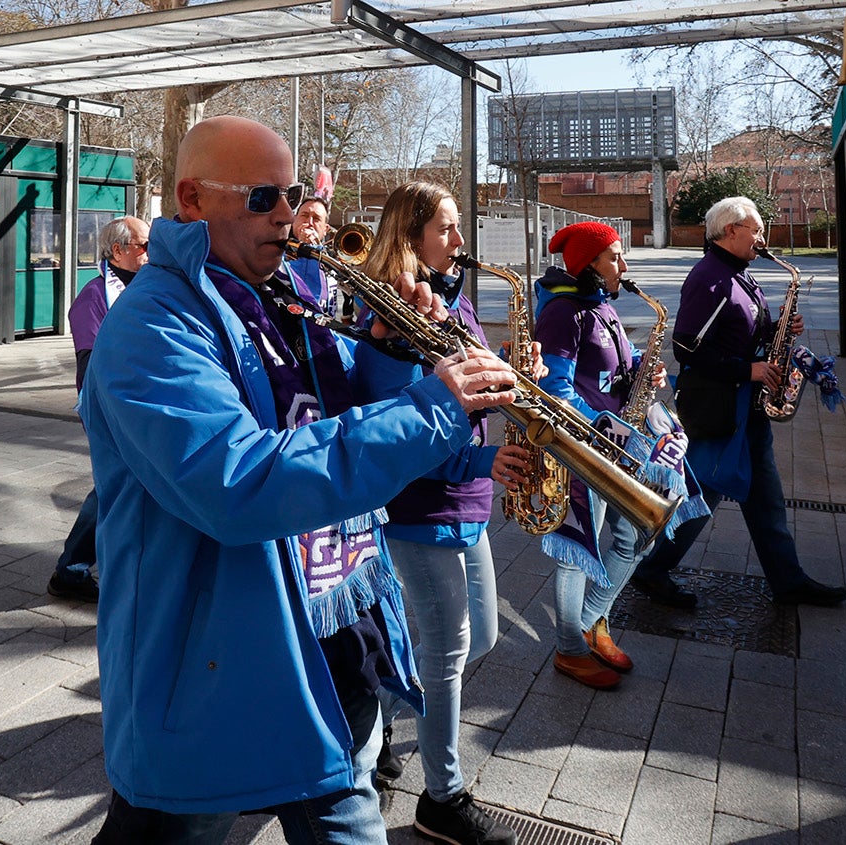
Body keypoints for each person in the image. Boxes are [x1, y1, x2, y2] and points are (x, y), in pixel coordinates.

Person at [80, 115, 518, 843]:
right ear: (190, 199)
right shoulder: (153, 326)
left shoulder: (281, 298)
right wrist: (432, 408)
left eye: (289, 193)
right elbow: (237, 480)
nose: (288, 214)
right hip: (215, 667)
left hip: (327, 643)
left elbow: (333, 415)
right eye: (262, 197)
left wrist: (387, 354)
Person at [356, 181, 527, 845]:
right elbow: (406, 439)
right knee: (449, 650)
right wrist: (488, 463)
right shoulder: (391, 324)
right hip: (422, 509)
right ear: (411, 235)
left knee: (476, 638)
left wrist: (516, 372)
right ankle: (443, 795)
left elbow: (480, 386)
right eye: (448, 228)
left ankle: (370, 712)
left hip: (469, 505)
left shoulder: (454, 306)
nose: (461, 242)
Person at [630, 197, 846, 608]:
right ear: (730, 230)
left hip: (745, 408)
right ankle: (651, 569)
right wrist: (749, 371)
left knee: (764, 497)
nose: (762, 239)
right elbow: (686, 348)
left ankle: (788, 579)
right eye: (757, 230)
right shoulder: (709, 278)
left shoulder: (740, 275)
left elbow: (742, 331)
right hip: (720, 409)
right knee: (704, 494)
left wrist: (779, 323)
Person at [531, 222, 666, 690]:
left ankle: (591, 621)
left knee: (633, 539)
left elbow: (616, 371)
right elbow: (555, 389)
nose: (623, 267)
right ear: (587, 265)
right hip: (590, 449)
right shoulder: (563, 313)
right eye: (614, 258)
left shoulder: (601, 307)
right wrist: (604, 427)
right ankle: (570, 650)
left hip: (620, 445)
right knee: (577, 552)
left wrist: (644, 373)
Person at [47, 215, 150, 603]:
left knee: (124, 486)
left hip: (144, 405)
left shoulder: (151, 286)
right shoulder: (94, 296)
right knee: (114, 486)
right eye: (143, 245)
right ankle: (70, 571)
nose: (150, 252)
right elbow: (93, 365)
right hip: (113, 408)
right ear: (118, 251)